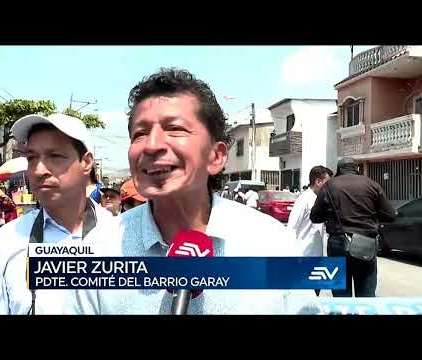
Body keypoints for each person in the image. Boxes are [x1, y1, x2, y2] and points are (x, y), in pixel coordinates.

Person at [67, 68, 318, 315]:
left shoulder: (272, 243)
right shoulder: (99, 249)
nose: (152, 145)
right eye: (140, 133)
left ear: (216, 156)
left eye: (175, 128)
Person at [0, 113, 117, 314]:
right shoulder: (6, 241)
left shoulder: (119, 235)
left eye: (55, 156)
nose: (39, 170)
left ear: (86, 162)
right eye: (32, 158)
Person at [310, 158, 396, 297]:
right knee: (366, 294)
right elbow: (390, 216)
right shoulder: (372, 185)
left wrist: (331, 214)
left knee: (341, 295)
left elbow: (315, 217)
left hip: (337, 243)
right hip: (365, 243)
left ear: (339, 170)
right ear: (358, 169)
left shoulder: (329, 186)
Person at [287, 166, 333, 296]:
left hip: (316, 258)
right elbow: (291, 228)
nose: (329, 187)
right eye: (327, 183)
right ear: (318, 182)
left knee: (314, 297)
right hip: (303, 257)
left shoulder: (320, 199)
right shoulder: (304, 200)